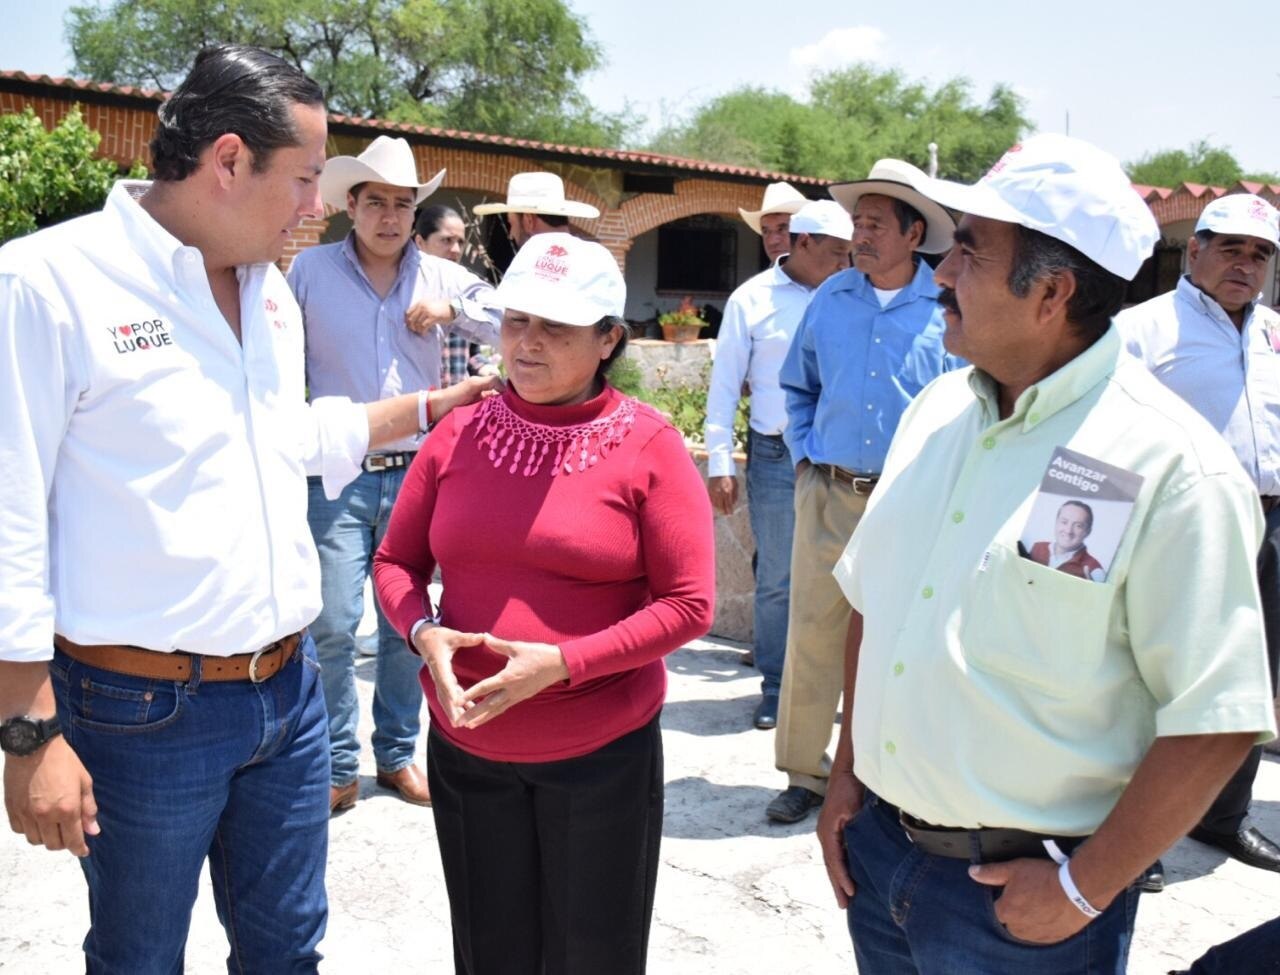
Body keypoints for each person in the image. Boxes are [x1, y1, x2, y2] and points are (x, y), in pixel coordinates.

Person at [0, 44, 493, 972]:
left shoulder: (268, 292)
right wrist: (29, 733)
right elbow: (8, 512)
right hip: (139, 712)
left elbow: (284, 436)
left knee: (287, 950)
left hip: (289, 695)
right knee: (140, 958)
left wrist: (431, 408)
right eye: (306, 179)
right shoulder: (49, 283)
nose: (317, 208)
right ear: (229, 160)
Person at [817, 134, 1277, 975]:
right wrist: (847, 780)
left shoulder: (1169, 465)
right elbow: (875, 602)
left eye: (968, 250)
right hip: (880, 856)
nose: (943, 272)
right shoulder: (937, 412)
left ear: (1053, 293)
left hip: (1021, 900)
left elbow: (1217, 718)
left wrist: (1084, 889)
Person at [373, 232, 715, 974]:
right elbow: (396, 561)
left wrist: (564, 663)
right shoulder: (457, 435)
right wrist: (422, 631)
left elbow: (690, 603)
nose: (527, 343)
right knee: (489, 956)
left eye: (555, 327)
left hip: (599, 759)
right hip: (466, 752)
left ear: (609, 340)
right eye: (516, 320)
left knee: (592, 958)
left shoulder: (650, 447)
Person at [288, 137, 500, 814]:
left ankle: (398, 755)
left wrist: (453, 311)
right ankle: (336, 763)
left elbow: (512, 318)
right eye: (375, 201)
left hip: (419, 473)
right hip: (336, 473)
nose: (389, 216)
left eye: (403, 204)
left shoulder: (439, 278)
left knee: (409, 623)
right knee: (332, 621)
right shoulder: (309, 273)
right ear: (349, 204)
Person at [765, 159, 957, 823]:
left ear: (913, 234)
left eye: (876, 223)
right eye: (858, 222)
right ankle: (804, 773)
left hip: (912, 503)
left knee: (903, 640)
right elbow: (798, 384)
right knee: (813, 634)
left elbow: (968, 404)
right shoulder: (831, 298)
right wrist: (804, 458)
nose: (861, 235)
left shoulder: (946, 308)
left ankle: (887, 774)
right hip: (830, 493)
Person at [1117, 193, 1280, 873]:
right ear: (1196, 251)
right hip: (1175, 523)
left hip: (1268, 521)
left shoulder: (1272, 330)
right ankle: (1129, 832)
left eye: (1261, 253)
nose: (1246, 264)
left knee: (1246, 675)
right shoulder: (1142, 328)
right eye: (1232, 247)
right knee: (1152, 675)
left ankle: (1220, 815)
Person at [704, 200, 853, 730]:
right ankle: (776, 688)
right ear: (804, 243)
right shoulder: (753, 299)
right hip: (775, 455)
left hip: (841, 456)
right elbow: (725, 382)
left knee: (845, 576)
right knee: (778, 579)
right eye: (836, 253)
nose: (844, 263)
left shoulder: (853, 295)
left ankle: (835, 690)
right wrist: (719, 459)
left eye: (849, 253)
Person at [414, 203, 473, 385]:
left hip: (460, 405)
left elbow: (474, 353)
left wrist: (486, 367)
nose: (456, 249)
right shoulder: (405, 291)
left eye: (460, 242)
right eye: (447, 240)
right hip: (419, 405)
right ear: (420, 243)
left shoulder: (466, 288)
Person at [473, 171, 600, 249]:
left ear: (529, 221)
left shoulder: (528, 265)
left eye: (511, 224)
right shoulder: (600, 257)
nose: (511, 234)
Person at [1029, 500, 1105, 581]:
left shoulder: (1094, 571)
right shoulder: (1037, 548)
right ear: (1056, 523)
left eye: (1078, 526)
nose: (1068, 531)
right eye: (1064, 522)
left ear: (1088, 532)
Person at [738, 181, 809, 264]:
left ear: (806, 233)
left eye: (782, 229)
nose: (772, 241)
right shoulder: (765, 277)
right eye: (766, 231)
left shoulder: (825, 274)